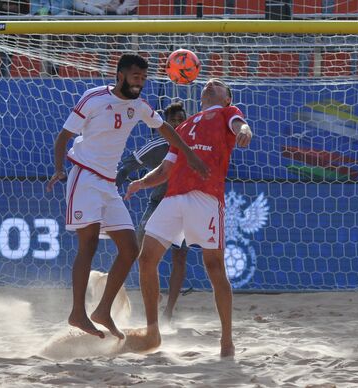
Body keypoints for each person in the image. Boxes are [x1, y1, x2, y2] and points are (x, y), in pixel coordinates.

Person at [46, 53, 209, 340]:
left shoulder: (139, 105)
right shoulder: (93, 98)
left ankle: (103, 310)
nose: (140, 82)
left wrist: (190, 155)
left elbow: (165, 128)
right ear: (120, 75)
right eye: (136, 76)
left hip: (108, 184)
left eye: (144, 78)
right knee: (89, 244)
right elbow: (63, 137)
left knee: (131, 249)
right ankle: (78, 313)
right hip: (84, 177)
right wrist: (59, 169)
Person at [124, 78, 253, 357]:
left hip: (205, 198)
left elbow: (239, 124)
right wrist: (141, 183)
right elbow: (165, 168)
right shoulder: (184, 125)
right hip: (172, 198)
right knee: (146, 259)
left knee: (214, 266)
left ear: (227, 98)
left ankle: (226, 341)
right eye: (207, 83)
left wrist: (245, 129)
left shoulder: (227, 113)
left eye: (217, 84)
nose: (210, 84)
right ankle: (152, 330)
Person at [115, 101, 189, 324]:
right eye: (172, 120)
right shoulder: (156, 145)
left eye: (181, 119)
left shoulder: (193, 143)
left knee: (180, 256)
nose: (177, 124)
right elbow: (127, 165)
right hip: (158, 202)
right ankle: (153, 294)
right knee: (141, 251)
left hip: (185, 205)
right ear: (163, 124)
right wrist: (114, 185)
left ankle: (169, 310)